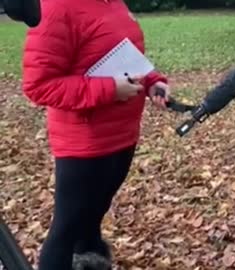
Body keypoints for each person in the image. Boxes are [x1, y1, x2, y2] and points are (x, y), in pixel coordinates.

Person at [21, 0, 170, 269]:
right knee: (66, 230)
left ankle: (91, 262)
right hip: (84, 145)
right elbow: (38, 86)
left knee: (90, 219)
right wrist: (110, 89)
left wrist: (152, 81)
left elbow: (125, 53)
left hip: (122, 136)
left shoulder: (112, 2)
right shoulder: (56, 7)